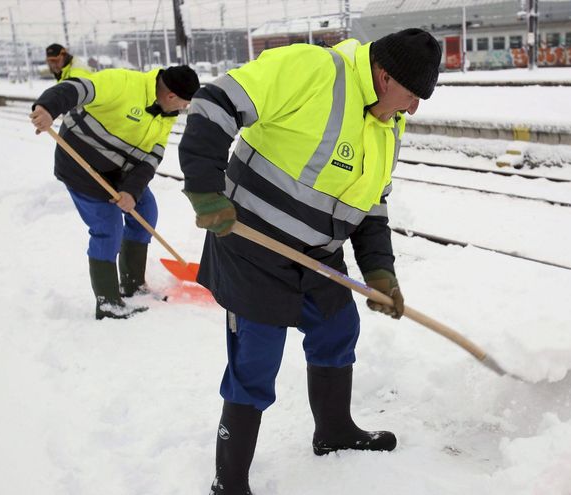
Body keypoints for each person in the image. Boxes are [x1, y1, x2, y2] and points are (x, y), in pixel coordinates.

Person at [178, 28, 441, 494]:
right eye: (412, 94)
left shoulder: (390, 122)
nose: (414, 108)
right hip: (251, 245)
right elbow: (214, 103)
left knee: (338, 329)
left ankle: (334, 431)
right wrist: (205, 188)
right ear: (383, 76)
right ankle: (229, 481)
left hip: (318, 256)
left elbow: (372, 205)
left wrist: (380, 271)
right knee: (255, 363)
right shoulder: (313, 70)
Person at [29, 65, 200, 319]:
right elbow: (76, 88)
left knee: (146, 210)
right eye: (184, 104)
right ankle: (108, 303)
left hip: (120, 171)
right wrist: (47, 107)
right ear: (171, 96)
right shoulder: (122, 83)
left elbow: (152, 157)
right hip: (81, 167)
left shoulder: (166, 113)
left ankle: (132, 284)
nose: (183, 109)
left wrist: (131, 191)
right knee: (108, 229)